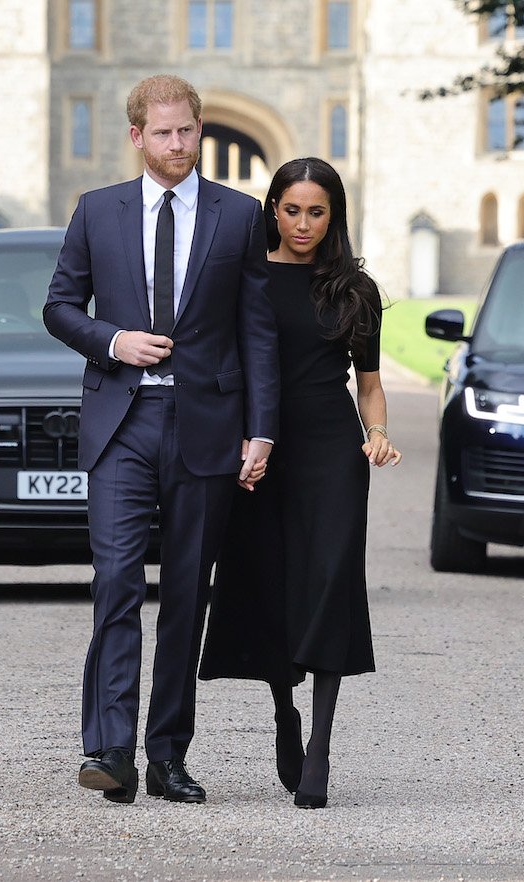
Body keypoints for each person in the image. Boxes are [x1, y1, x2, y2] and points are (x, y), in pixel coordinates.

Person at [43, 74, 279, 805]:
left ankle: (167, 755)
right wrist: (113, 340)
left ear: (199, 130)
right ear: (137, 136)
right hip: (123, 424)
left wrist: (261, 430)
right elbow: (58, 307)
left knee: (185, 595)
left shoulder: (239, 216)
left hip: (206, 428)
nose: (178, 144)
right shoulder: (96, 211)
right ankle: (109, 748)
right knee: (115, 582)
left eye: (188, 130)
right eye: (165, 132)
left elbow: (258, 331)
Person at [199, 157, 402, 809]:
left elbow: (369, 388)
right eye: (292, 210)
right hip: (259, 452)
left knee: (330, 585)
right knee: (271, 584)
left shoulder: (354, 291)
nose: (304, 223)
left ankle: (320, 744)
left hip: (330, 454)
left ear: (334, 215)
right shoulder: (245, 277)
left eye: (318, 211)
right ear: (273, 210)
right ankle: (284, 709)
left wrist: (376, 433)